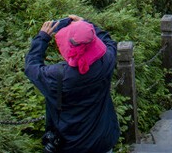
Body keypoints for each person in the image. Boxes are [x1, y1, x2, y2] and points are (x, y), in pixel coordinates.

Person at [24, 14, 119, 153]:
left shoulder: (58, 77)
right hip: (102, 142)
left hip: (71, 145)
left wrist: (42, 38)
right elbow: (109, 43)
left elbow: (31, 67)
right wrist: (86, 26)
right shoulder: (106, 62)